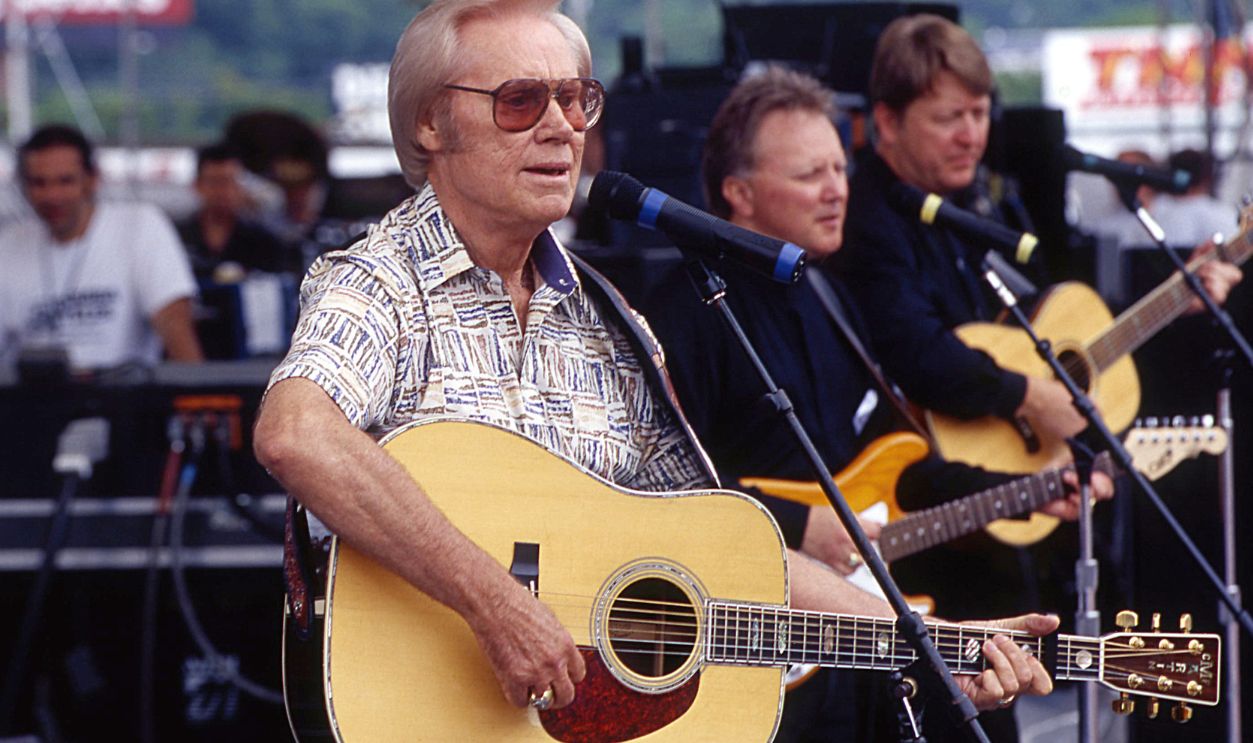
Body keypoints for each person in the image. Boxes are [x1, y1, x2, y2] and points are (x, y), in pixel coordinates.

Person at [253, 0, 1052, 729]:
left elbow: (720, 545)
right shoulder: (381, 281)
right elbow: (297, 435)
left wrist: (917, 637)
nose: (562, 126)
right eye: (521, 101)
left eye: (577, 100)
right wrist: (493, 602)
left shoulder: (607, 322)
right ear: (430, 124)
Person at [643, 65, 1106, 743]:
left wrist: (1030, 488)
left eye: (838, 169)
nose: (836, 191)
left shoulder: (829, 296)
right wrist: (797, 523)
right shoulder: (682, 316)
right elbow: (655, 494)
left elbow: (902, 465)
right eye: (809, 175)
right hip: (743, 651)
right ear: (737, 193)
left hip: (851, 653)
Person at [837, 14, 1243, 450]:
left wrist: (1175, 298)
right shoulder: (864, 219)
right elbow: (918, 353)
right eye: (949, 118)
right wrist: (1030, 397)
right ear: (888, 122)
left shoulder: (976, 205)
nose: (971, 136)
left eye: (979, 114)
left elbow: (1039, 323)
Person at [0, 124, 203, 370]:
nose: (52, 195)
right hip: (30, 400)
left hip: (121, 400)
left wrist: (197, 393)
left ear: (92, 179)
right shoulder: (8, 244)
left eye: (65, 181)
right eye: (39, 183)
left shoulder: (139, 225)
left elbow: (174, 319)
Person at [176, 142, 292, 282]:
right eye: (215, 182)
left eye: (230, 182)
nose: (223, 192)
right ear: (197, 186)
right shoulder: (177, 238)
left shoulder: (265, 242)